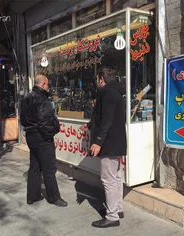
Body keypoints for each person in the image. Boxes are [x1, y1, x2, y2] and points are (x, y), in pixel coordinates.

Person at [80, 67, 127, 228]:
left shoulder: (107, 93)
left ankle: (112, 216)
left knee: (108, 179)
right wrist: (90, 125)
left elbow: (106, 119)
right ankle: (118, 208)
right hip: (117, 142)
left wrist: (98, 141)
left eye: (96, 79)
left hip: (109, 143)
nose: (96, 82)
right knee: (116, 177)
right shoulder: (117, 93)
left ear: (101, 78)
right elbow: (104, 116)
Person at [20, 74, 68, 207]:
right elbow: (45, 121)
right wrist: (51, 133)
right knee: (49, 168)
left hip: (31, 136)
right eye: (47, 84)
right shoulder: (41, 99)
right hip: (42, 137)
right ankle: (54, 197)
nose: (48, 87)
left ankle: (33, 195)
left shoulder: (26, 98)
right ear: (43, 84)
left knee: (35, 166)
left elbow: (22, 119)